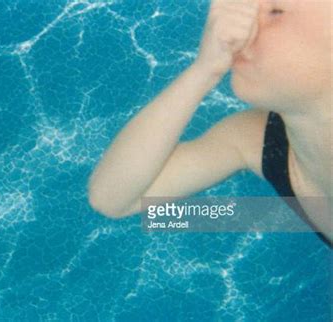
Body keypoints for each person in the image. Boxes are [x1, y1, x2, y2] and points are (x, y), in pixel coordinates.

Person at [87, 0, 332, 246]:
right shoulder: (257, 140)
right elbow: (112, 198)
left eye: (275, 11)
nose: (237, 28)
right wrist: (204, 71)